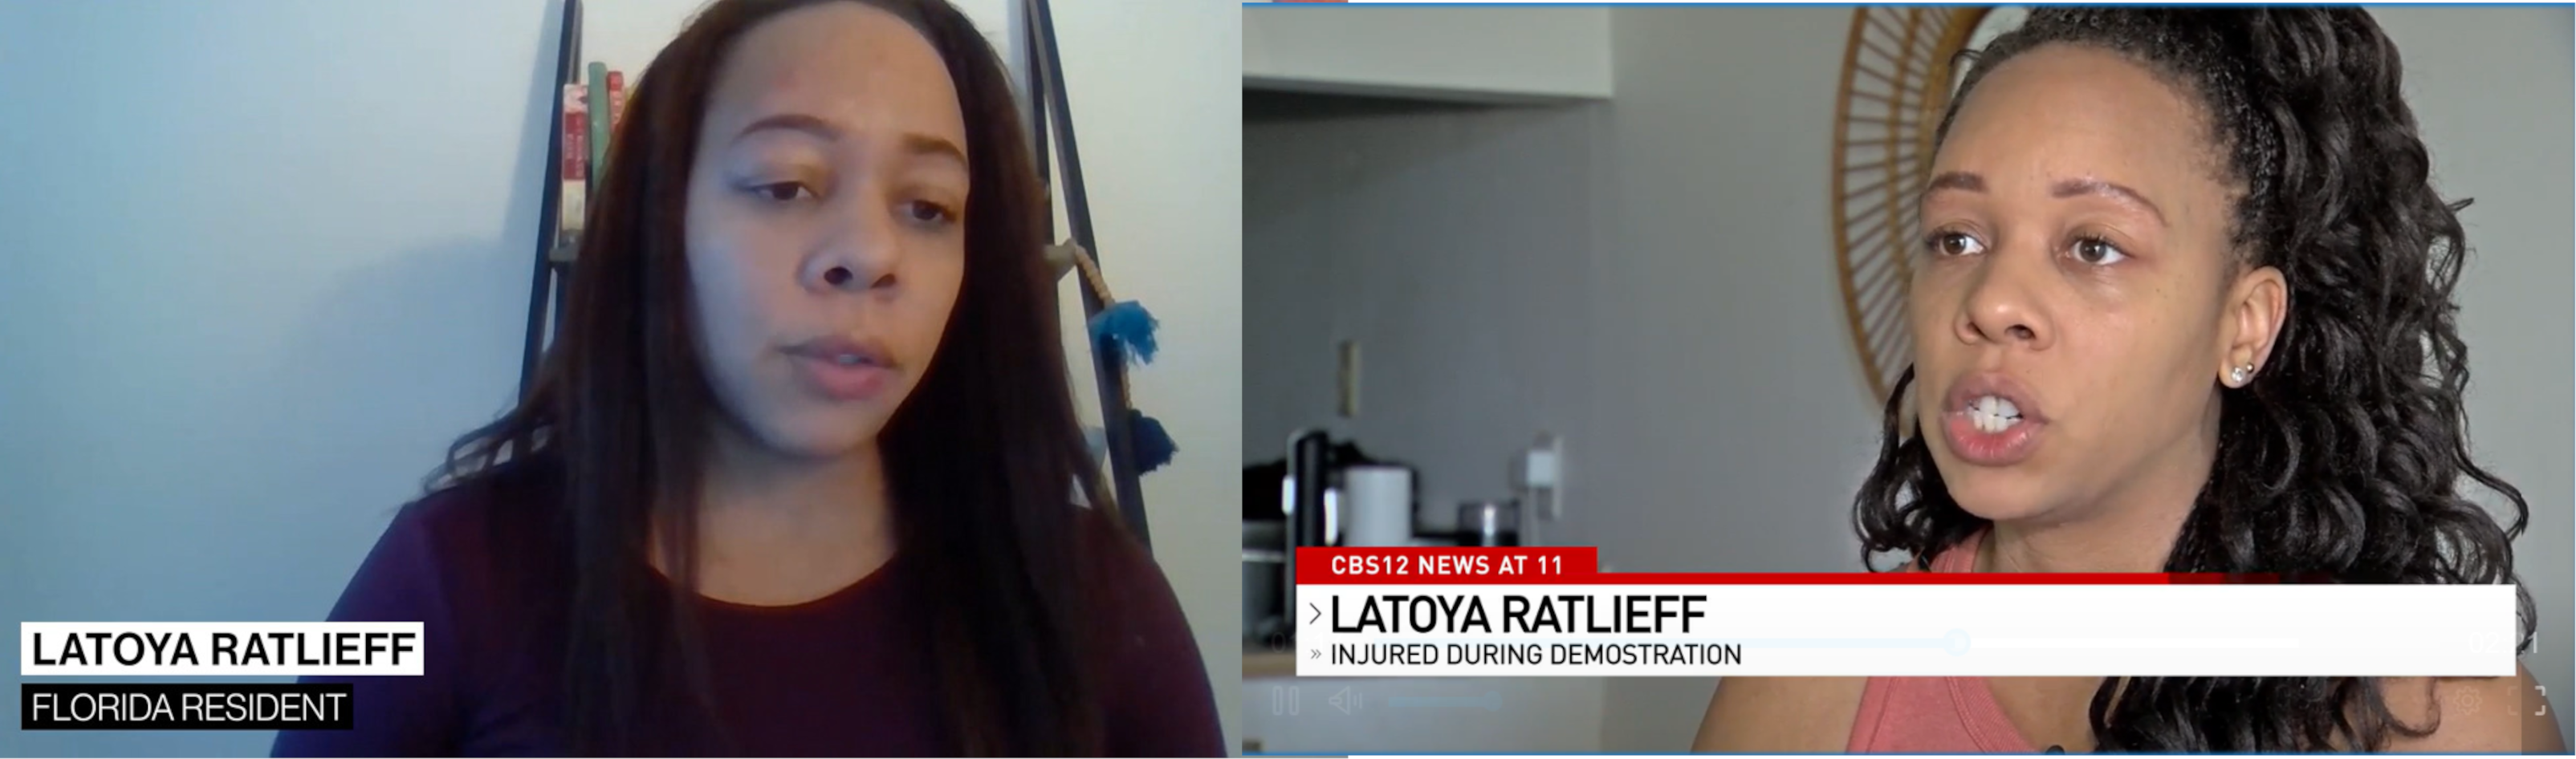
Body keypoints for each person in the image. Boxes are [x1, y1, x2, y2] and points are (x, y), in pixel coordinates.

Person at [272, 0, 1223, 755]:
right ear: (661, 223)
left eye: (929, 207)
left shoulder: (1091, 597)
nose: (869, 253)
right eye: (785, 185)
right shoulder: (453, 573)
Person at [1693, 8, 2564, 753]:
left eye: (2092, 246)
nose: (1991, 302)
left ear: (2243, 323)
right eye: (1956, 237)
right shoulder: (1798, 693)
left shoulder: (2432, 711)